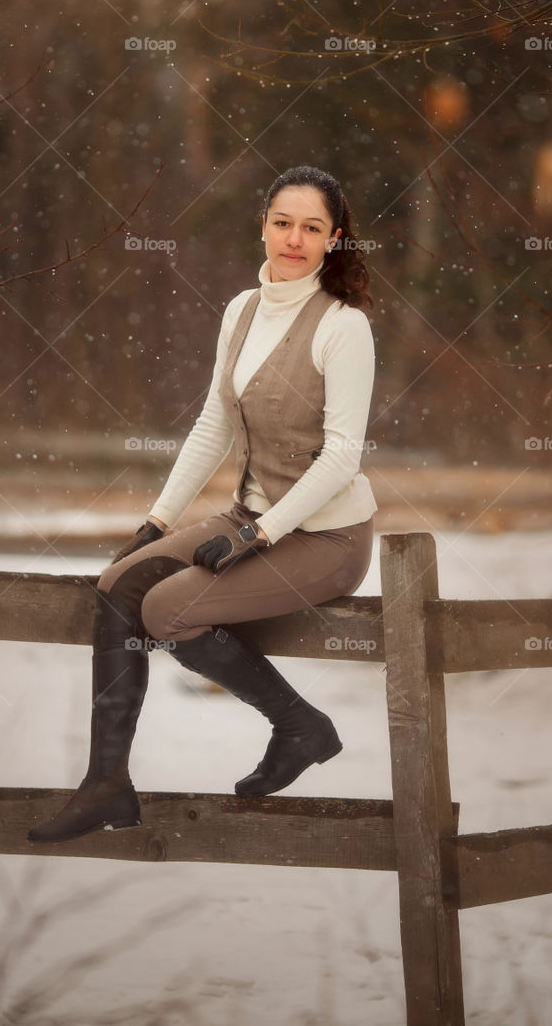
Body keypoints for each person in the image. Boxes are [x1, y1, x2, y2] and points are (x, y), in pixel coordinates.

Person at [27, 165, 378, 843]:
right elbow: (214, 424)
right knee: (119, 585)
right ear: (263, 226)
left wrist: (260, 534)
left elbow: (341, 458)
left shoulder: (344, 328)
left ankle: (299, 725)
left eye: (312, 228)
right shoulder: (241, 310)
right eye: (282, 223)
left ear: (333, 239)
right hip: (251, 518)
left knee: (167, 610)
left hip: (326, 538)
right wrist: (157, 521)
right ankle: (106, 785)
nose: (294, 239)